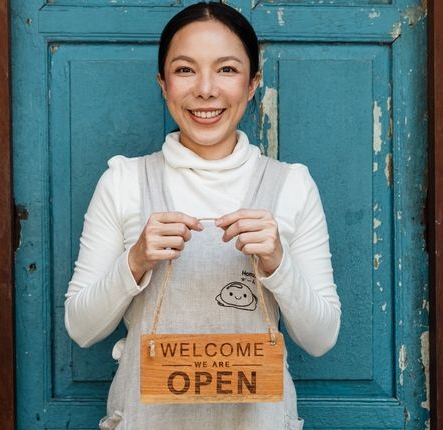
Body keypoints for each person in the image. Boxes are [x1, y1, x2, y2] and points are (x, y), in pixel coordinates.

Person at [64, 3, 341, 429]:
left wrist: (278, 263)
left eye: (227, 70)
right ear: (163, 83)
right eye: (185, 70)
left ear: (253, 84)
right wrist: (135, 260)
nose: (206, 89)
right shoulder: (123, 182)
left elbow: (321, 339)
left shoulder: (291, 186)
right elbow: (81, 328)